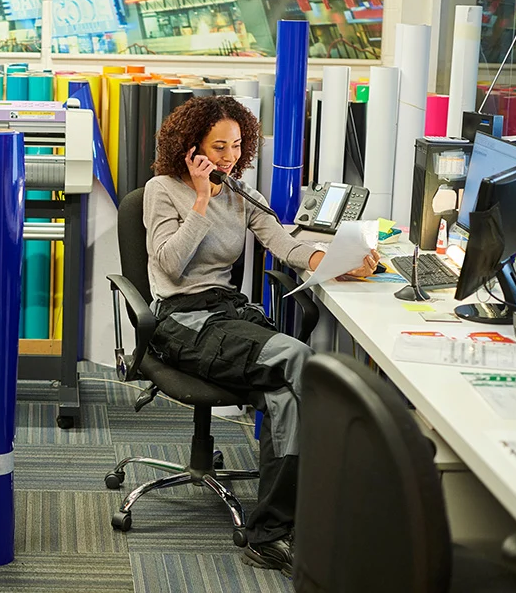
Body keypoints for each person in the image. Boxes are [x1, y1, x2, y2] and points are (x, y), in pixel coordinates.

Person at [144, 96, 379, 576]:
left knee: (284, 397)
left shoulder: (239, 191)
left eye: (236, 146)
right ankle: (281, 526)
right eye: (218, 147)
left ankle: (272, 531)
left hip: (226, 316)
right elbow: (170, 263)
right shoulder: (162, 190)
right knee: (298, 359)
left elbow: (280, 238)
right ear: (192, 148)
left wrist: (329, 262)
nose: (229, 157)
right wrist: (201, 199)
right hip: (181, 319)